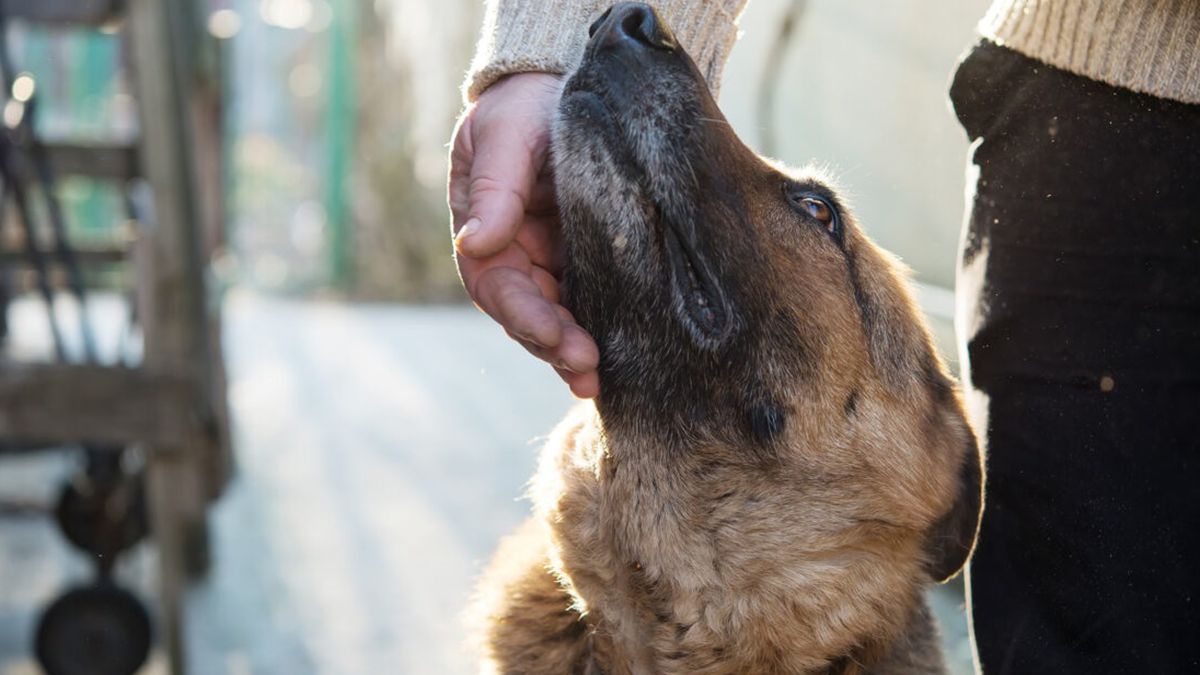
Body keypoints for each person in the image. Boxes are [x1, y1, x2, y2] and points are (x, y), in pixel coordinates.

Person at [448, 0, 1200, 672]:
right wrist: (552, 52)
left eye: (814, 214)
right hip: (1109, 103)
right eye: (815, 214)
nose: (629, 22)